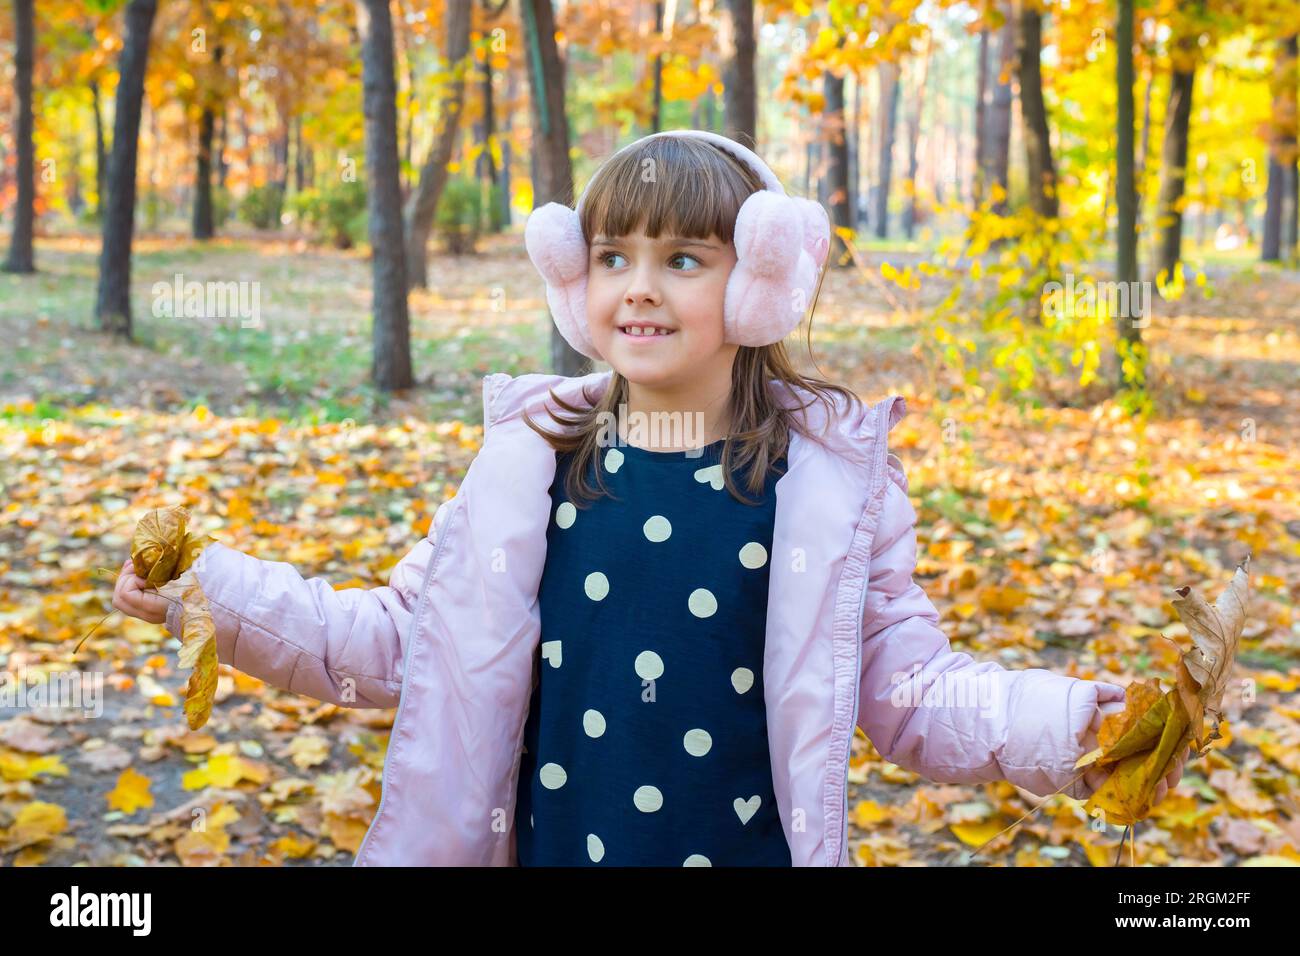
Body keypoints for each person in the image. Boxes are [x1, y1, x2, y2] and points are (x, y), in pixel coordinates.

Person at [113, 129, 1187, 866]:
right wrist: (213, 595)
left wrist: (1067, 723)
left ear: (761, 282)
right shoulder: (527, 467)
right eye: (612, 254)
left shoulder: (821, 489)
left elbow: (909, 690)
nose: (638, 283)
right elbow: (398, 637)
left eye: (683, 257)